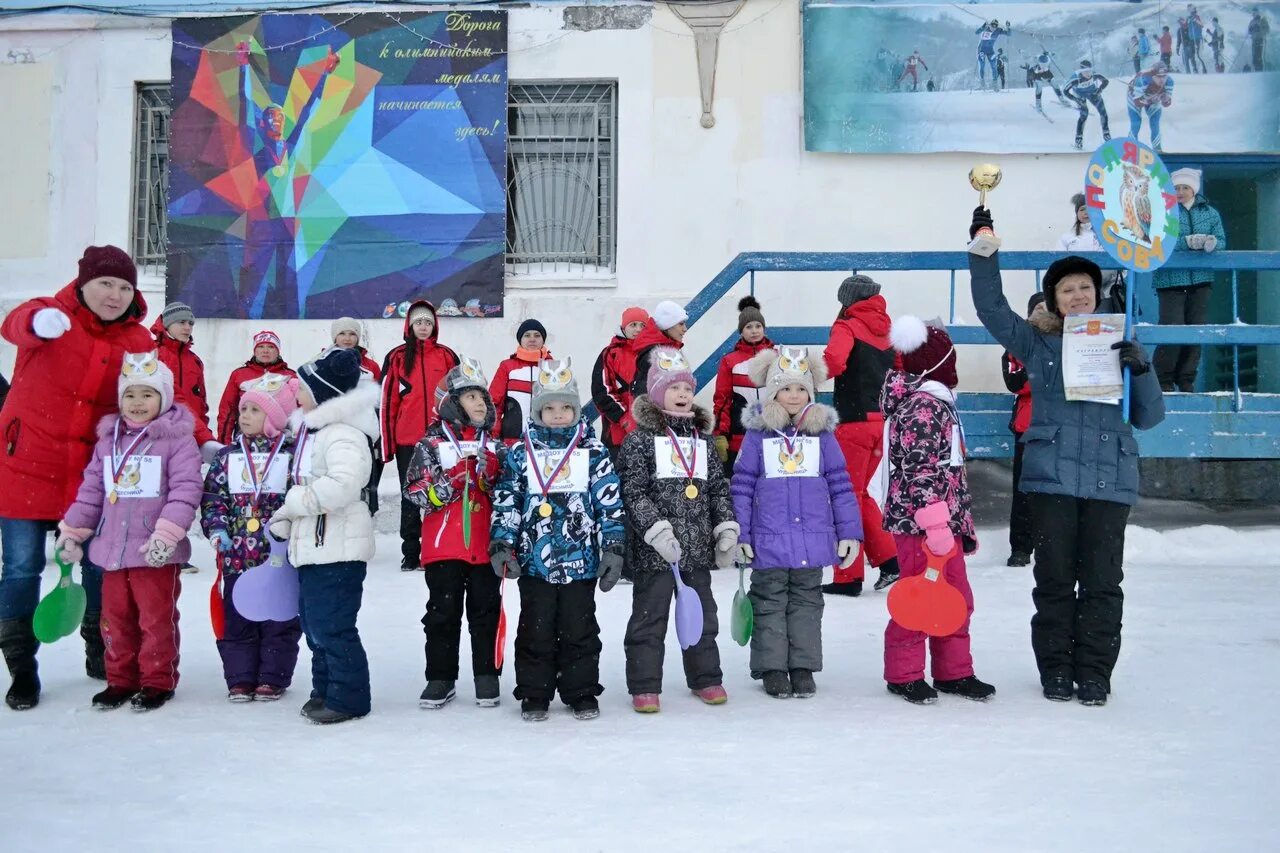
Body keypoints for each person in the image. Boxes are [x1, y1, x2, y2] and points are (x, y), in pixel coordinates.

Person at [969, 205, 1166, 707]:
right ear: (1054, 301)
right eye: (1066, 289)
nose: (1078, 295)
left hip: (1109, 479)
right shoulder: (1038, 345)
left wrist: (1139, 369)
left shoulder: (1124, 340)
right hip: (1051, 478)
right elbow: (992, 310)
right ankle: (1056, 670)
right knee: (1054, 581)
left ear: (1096, 293)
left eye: (1085, 287)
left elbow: (1148, 416)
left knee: (1102, 584)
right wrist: (983, 248)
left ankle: (1095, 673)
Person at [0, 245, 152, 710]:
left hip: (93, 474)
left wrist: (194, 437)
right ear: (83, 282)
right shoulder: (51, 315)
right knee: (22, 567)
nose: (115, 295)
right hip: (27, 464)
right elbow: (15, 322)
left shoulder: (139, 341)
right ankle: (22, 667)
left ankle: (99, 648)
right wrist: (35, 325)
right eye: (106, 283)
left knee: (99, 563)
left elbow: (156, 396)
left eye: (125, 287)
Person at [55, 353, 203, 711]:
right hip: (112, 550)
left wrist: (167, 534)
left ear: (164, 398)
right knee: (115, 618)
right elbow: (92, 490)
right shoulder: (108, 442)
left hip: (154, 551)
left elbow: (186, 489)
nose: (138, 403)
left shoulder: (177, 441)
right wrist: (74, 530)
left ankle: (156, 680)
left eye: (147, 395)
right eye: (130, 395)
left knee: (155, 619)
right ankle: (120, 678)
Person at [490, 358, 625, 722]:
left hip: (580, 562)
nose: (558, 414)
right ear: (537, 411)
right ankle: (535, 692)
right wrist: (503, 543)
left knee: (580, 629)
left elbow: (608, 501)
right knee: (535, 629)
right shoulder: (521, 453)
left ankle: (581, 690)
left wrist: (613, 546)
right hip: (535, 560)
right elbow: (507, 500)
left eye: (566, 407)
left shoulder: (592, 451)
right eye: (549, 407)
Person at [730, 347, 861, 699]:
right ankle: (772, 667)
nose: (794, 395)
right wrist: (741, 532)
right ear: (773, 392)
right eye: (786, 388)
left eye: (801, 389)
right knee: (769, 601)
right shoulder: (758, 435)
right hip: (768, 540)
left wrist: (849, 531)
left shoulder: (823, 436)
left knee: (807, 602)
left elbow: (840, 483)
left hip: (812, 539)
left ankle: (802, 666)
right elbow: (741, 486)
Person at [879, 317, 995, 705]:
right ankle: (904, 674)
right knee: (920, 598)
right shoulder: (924, 407)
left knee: (956, 597)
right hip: (922, 525)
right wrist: (935, 522)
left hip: (944, 522)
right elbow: (920, 467)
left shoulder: (938, 402)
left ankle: (954, 671)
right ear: (940, 363)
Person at [617, 347, 738, 713]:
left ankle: (706, 678)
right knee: (648, 620)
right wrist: (655, 531)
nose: (683, 395)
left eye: (687, 388)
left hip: (696, 548)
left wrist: (725, 526)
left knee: (702, 616)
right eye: (673, 389)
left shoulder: (701, 441)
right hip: (656, 552)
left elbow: (717, 487)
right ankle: (644, 684)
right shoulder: (640, 440)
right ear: (656, 393)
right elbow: (633, 491)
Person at [268, 347, 378, 724]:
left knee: (333, 625)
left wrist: (296, 501)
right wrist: (287, 514)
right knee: (314, 627)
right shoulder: (317, 433)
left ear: (322, 394)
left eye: (301, 388)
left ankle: (348, 698)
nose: (295, 395)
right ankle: (324, 690)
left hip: (338, 549)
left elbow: (344, 485)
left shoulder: (344, 434)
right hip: (316, 545)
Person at [403, 357, 505, 710]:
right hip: (442, 546)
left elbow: (509, 491)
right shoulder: (430, 445)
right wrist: (447, 484)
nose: (480, 403)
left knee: (486, 611)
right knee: (442, 613)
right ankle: (440, 677)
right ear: (451, 402)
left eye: (483, 397)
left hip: (484, 545)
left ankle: (486, 675)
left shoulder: (495, 445)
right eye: (470, 396)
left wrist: (490, 477)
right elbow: (414, 491)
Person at [200, 373, 303, 702]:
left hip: (276, 554)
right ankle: (240, 677)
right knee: (238, 615)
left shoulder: (291, 456)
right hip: (238, 555)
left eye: (254, 410)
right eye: (243, 409)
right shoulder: (227, 456)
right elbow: (213, 496)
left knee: (278, 616)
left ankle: (273, 676)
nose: (244, 416)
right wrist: (217, 528)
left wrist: (289, 528)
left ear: (274, 417)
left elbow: (298, 496)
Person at [822, 275, 900, 596]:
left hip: (852, 422)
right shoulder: (889, 329)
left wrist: (804, 371)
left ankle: (848, 576)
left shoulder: (847, 326)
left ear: (848, 299)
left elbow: (835, 362)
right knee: (859, 493)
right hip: (882, 422)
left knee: (843, 495)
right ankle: (890, 559)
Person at [380, 300, 459, 570]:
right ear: (409, 326)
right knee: (411, 496)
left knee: (439, 493)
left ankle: (434, 549)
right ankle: (411, 551)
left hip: (440, 439)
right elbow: (387, 402)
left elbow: (459, 397)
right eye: (418, 323)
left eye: (428, 322)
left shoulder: (447, 355)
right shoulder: (398, 357)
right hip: (408, 440)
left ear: (434, 325)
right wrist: (387, 444)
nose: (423, 327)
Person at [1152, 168, 1227, 392]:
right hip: (1170, 281)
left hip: (1201, 281)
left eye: (1185, 187)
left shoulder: (1210, 213)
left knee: (1195, 332)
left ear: (1194, 188)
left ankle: (1186, 380)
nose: (1181, 192)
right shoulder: (1163, 212)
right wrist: (1187, 242)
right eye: (1176, 188)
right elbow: (1157, 240)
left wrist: (1211, 242)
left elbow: (1222, 241)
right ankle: (1163, 381)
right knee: (1172, 331)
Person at [1002, 293, 1048, 568]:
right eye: (1037, 310)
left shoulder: (1068, 341)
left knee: (1056, 493)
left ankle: (1052, 545)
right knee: (1023, 491)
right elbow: (1015, 382)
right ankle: (1020, 547)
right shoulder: (1016, 346)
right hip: (1027, 428)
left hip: (1059, 426)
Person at [712, 296, 774, 477]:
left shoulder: (777, 356)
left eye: (758, 326)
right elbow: (722, 399)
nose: (754, 331)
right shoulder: (730, 361)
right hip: (739, 434)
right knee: (740, 482)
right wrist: (721, 433)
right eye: (748, 327)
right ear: (741, 331)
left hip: (772, 431)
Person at [151, 301, 218, 458]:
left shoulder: (195, 361)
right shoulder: (152, 354)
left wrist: (204, 437)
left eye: (190, 323)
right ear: (167, 324)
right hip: (159, 439)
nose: (187, 327)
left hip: (192, 436)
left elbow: (201, 405)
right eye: (181, 322)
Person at [330, 316, 383, 515]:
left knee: (364, 482)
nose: (347, 338)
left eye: (352, 334)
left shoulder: (371, 366)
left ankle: (364, 519)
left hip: (363, 434)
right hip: (333, 433)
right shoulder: (321, 361)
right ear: (334, 337)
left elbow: (379, 402)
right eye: (342, 333)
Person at [216, 330, 295, 443]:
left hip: (281, 440)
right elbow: (227, 411)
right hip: (246, 438)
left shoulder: (290, 376)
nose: (265, 351)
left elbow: (299, 413)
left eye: (271, 347)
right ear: (255, 351)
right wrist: (223, 443)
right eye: (261, 346)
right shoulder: (239, 374)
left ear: (278, 351)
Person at [590, 306, 647, 461]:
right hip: (617, 432)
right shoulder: (610, 353)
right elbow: (602, 390)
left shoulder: (654, 353)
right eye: (633, 325)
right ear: (624, 327)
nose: (638, 329)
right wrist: (622, 417)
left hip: (648, 430)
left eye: (643, 325)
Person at [490, 319, 552, 443]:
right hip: (512, 439)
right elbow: (494, 403)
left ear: (543, 340)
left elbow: (564, 403)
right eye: (527, 335)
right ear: (520, 340)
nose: (532, 339)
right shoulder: (507, 366)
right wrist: (493, 433)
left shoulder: (553, 367)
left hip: (546, 441)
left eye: (537, 335)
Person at [629, 300, 688, 397]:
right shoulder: (655, 355)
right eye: (681, 324)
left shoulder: (664, 350)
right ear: (668, 326)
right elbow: (648, 396)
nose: (685, 329)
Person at [1064, 60, 1111, 151]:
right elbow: (1065, 91)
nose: (1089, 73)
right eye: (1086, 71)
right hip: (1079, 95)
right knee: (1084, 115)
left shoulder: (1094, 75)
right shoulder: (1075, 79)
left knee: (1103, 112)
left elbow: (1106, 81)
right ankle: (1078, 140)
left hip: (1092, 92)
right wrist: (1075, 99)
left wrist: (1098, 91)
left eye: (1090, 70)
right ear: (1081, 71)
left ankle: (1106, 135)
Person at [1126, 62, 1174, 152]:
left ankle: (1157, 148)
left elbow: (1166, 103)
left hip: (1152, 98)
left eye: (1164, 76)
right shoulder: (1142, 80)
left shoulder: (1169, 82)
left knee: (1155, 123)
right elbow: (1137, 103)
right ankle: (1130, 148)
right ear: (1152, 76)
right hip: (1134, 96)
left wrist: (1165, 99)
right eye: (1158, 77)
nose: (1162, 80)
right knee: (1136, 123)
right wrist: (1151, 99)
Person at [974, 19, 1011, 90]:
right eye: (992, 25)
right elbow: (976, 32)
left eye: (995, 26)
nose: (994, 27)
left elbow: (1008, 34)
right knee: (982, 64)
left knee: (994, 66)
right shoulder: (986, 28)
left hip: (990, 50)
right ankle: (982, 82)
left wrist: (1008, 27)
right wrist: (983, 26)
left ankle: (995, 85)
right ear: (990, 25)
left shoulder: (998, 30)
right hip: (981, 50)